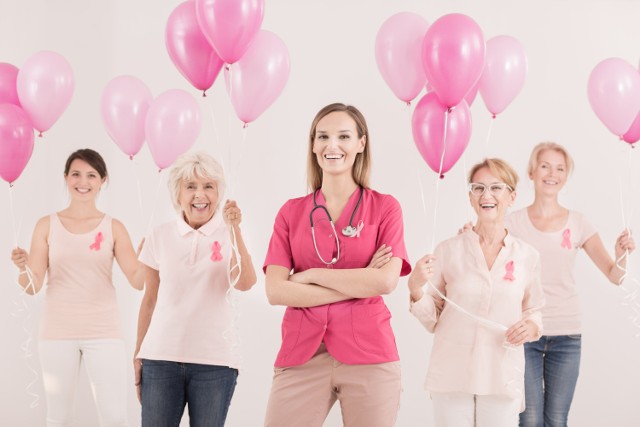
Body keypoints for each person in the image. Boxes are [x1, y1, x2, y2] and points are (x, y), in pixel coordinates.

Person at [262, 102, 411, 427]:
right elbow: (275, 290)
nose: (332, 145)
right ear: (313, 145)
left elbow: (385, 282)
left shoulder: (385, 208)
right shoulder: (291, 212)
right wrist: (360, 282)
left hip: (370, 353)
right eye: (323, 136)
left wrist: (311, 276)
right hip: (302, 353)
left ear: (361, 143)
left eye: (344, 136)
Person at [503, 142, 636, 427]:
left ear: (565, 176)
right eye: (545, 166)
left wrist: (622, 255)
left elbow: (616, 276)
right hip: (524, 334)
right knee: (529, 419)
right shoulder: (511, 223)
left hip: (567, 335)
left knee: (557, 420)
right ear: (531, 171)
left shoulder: (579, 223)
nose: (552, 173)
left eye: (560, 168)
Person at [10, 148, 144, 427]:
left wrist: (149, 258)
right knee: (59, 417)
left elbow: (137, 279)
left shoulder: (114, 227)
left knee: (114, 416)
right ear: (66, 178)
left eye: (91, 175)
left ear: (102, 180)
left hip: (104, 332)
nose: (83, 182)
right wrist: (23, 267)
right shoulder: (46, 225)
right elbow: (32, 286)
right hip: (57, 333)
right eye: (76, 174)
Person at [409, 158, 545, 427]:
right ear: (471, 198)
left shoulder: (527, 256)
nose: (487, 195)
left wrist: (530, 327)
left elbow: (534, 311)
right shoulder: (448, 250)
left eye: (496, 187)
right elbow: (433, 318)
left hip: (501, 373)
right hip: (452, 374)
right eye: (478, 188)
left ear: (511, 196)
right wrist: (415, 288)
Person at [134, 151, 256, 427]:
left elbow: (246, 282)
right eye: (190, 186)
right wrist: (138, 353)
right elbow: (149, 300)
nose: (200, 195)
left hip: (215, 362)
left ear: (219, 193)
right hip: (160, 359)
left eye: (208, 186)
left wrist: (235, 229)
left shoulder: (229, 233)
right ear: (178, 194)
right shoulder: (160, 235)